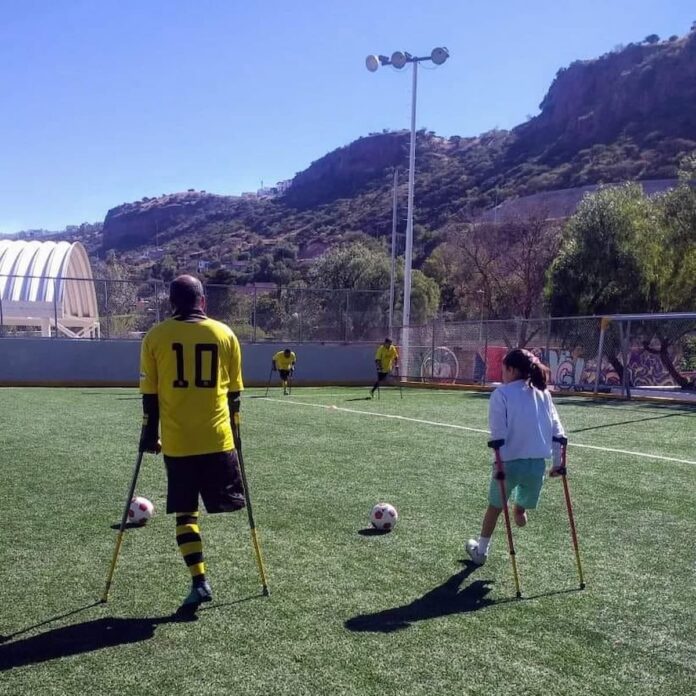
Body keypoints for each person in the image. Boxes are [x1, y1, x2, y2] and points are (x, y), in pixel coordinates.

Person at [139, 274, 246, 606]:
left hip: (179, 443)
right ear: (203, 301)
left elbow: (150, 397)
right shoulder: (225, 333)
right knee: (229, 504)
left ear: (171, 303)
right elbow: (235, 395)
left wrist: (149, 436)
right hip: (218, 441)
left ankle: (199, 581)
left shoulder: (155, 337)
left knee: (186, 514)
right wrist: (236, 436)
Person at [466, 348, 566, 566]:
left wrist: (499, 459)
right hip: (537, 465)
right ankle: (520, 509)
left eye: (503, 370)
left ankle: (481, 551)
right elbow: (558, 432)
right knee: (525, 492)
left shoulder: (501, 394)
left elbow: (498, 432)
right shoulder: (544, 394)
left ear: (510, 369)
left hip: (509, 462)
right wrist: (558, 463)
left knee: (495, 506)